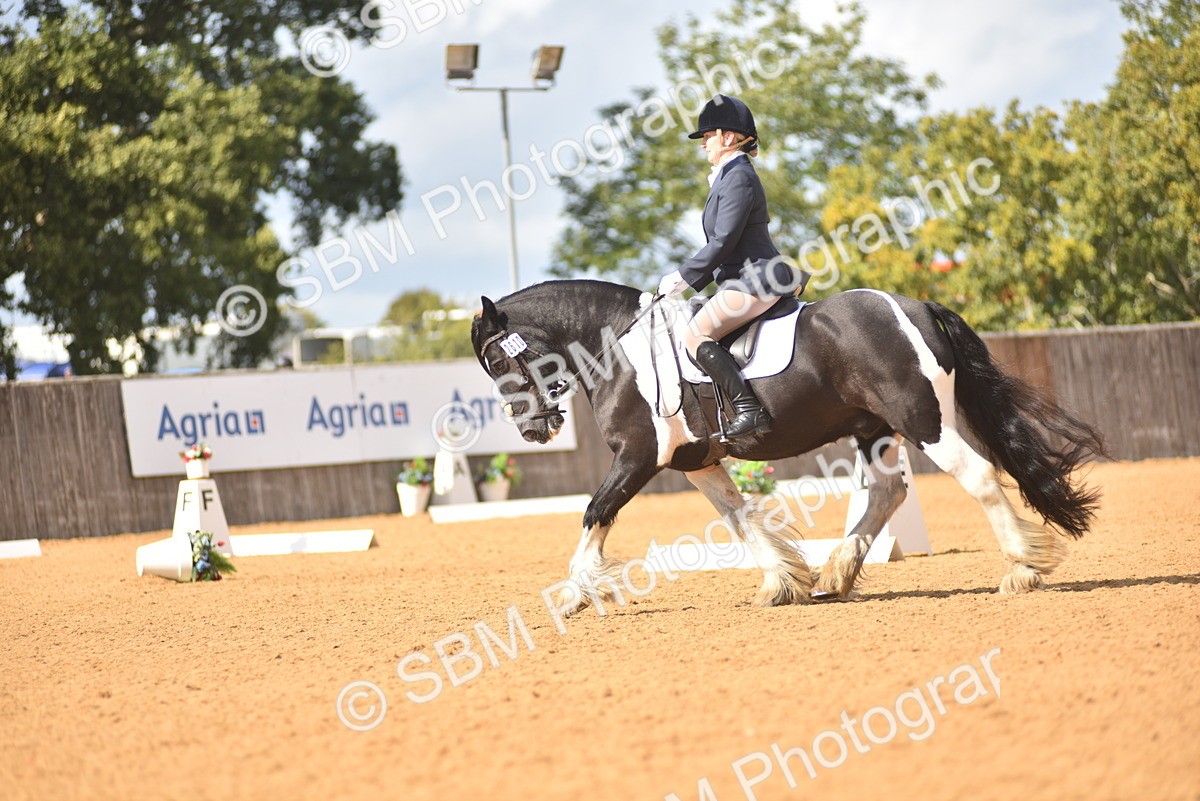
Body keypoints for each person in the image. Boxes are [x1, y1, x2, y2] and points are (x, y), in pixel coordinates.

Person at [657, 94, 808, 440]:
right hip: (742, 277)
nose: (703, 145)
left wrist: (682, 277)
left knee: (695, 336)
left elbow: (723, 241)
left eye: (707, 137)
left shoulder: (738, 176)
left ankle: (749, 409)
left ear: (727, 137)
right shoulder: (729, 176)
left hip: (757, 278)